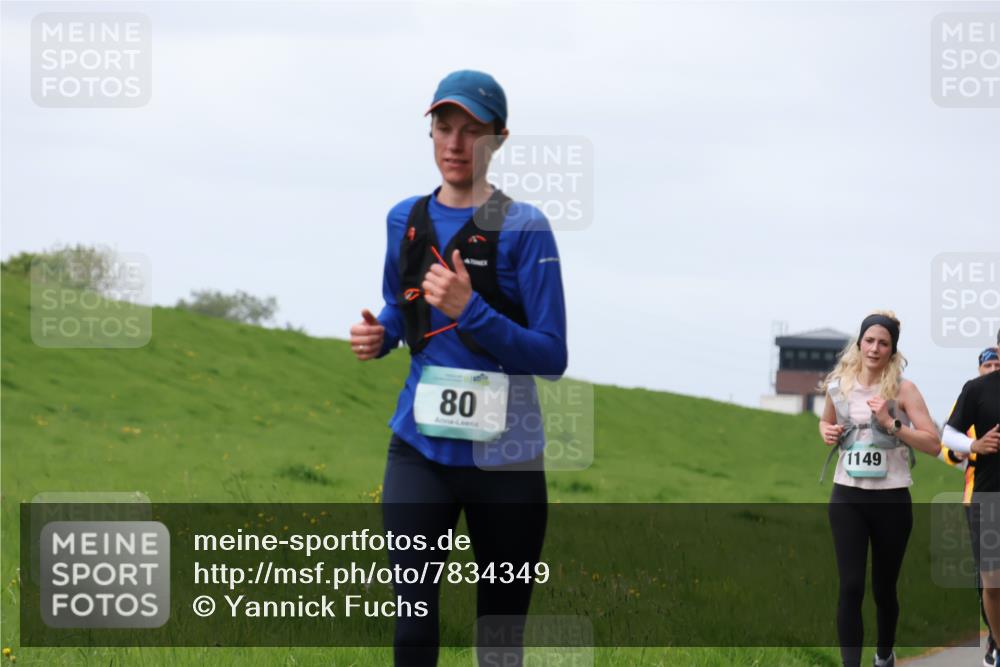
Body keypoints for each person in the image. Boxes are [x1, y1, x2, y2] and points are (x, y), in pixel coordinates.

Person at [349, 70, 568, 666]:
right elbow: (405, 308)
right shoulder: (405, 218)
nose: (454, 142)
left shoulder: (525, 228)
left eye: (471, 131)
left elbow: (551, 355)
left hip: (508, 461)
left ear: (498, 138)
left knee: (499, 641)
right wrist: (381, 334)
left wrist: (470, 310)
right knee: (414, 625)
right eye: (443, 127)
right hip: (419, 452)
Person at [819, 312, 941, 667]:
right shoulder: (838, 385)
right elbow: (827, 422)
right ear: (859, 343)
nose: (874, 348)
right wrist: (825, 432)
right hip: (848, 498)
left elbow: (933, 444)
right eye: (869, 340)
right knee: (851, 587)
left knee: (883, 589)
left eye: (883, 343)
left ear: (892, 350)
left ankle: (884, 655)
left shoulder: (904, 390)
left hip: (891, 500)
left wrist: (893, 424)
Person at [937, 346, 999, 665]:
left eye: (995, 363)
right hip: (979, 494)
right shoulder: (974, 396)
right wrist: (972, 447)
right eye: (986, 364)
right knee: (988, 579)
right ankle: (994, 640)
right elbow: (947, 446)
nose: (991, 368)